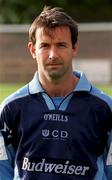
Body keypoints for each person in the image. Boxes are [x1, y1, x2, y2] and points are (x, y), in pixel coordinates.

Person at [0, 6, 112, 180]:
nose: (53, 54)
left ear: (74, 48)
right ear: (32, 49)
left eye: (61, 45)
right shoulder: (11, 108)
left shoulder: (105, 108)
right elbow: (2, 170)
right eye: (45, 45)